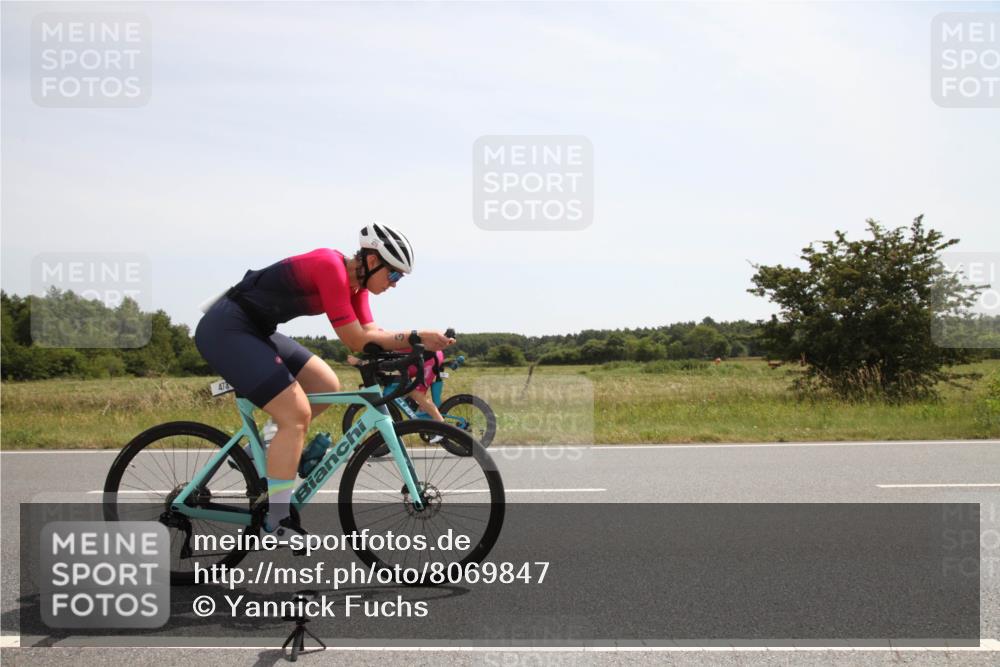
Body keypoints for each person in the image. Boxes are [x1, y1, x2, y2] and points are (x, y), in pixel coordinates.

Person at [194, 222, 454, 535]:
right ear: (372, 262)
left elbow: (373, 333)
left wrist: (416, 342)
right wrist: (416, 335)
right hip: (227, 328)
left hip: (258, 330)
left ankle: (260, 448)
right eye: (394, 274)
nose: (395, 283)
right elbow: (356, 340)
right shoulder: (330, 268)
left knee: (326, 385)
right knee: (296, 414)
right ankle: (277, 522)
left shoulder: (356, 287)